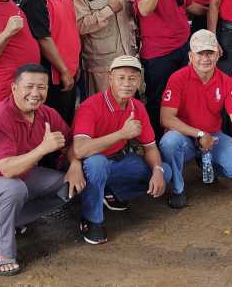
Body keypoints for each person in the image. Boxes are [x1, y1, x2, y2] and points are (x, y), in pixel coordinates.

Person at [0, 64, 85, 276]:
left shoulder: (46, 113)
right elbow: (7, 170)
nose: (35, 93)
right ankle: (1, 252)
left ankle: (5, 220)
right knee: (12, 189)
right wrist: (43, 148)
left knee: (70, 184)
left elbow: (69, 142)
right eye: (29, 86)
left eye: (41, 87)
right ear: (14, 88)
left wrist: (76, 165)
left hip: (18, 178)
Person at [72, 56, 171, 245]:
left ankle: (112, 193)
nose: (127, 83)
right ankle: (92, 219)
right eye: (121, 78)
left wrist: (157, 170)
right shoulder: (91, 106)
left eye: (132, 78)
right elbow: (80, 150)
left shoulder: (137, 107)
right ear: (110, 78)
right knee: (97, 163)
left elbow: (150, 147)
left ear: (139, 81)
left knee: (165, 171)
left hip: (117, 162)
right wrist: (122, 134)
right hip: (89, 164)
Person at [159, 30, 232, 208]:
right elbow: (166, 119)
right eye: (199, 53)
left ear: (218, 55)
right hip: (185, 137)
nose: (205, 58)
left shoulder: (226, 81)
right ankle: (178, 189)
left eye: (209, 53)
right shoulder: (177, 78)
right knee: (169, 142)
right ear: (190, 56)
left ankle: (206, 163)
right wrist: (200, 134)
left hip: (213, 137)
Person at [134, 0, 192, 137]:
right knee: (157, 97)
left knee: (182, 95)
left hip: (182, 45)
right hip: (158, 50)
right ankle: (155, 142)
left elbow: (186, 6)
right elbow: (144, 9)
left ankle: (179, 137)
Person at [19, 0, 82, 123]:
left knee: (68, 120)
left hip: (70, 67)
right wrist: (63, 70)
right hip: (53, 75)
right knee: (55, 124)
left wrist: (74, 65)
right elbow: (43, 38)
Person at [73, 0, 137, 96]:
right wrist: (108, 10)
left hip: (129, 58)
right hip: (101, 65)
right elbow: (80, 26)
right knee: (103, 109)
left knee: (129, 106)